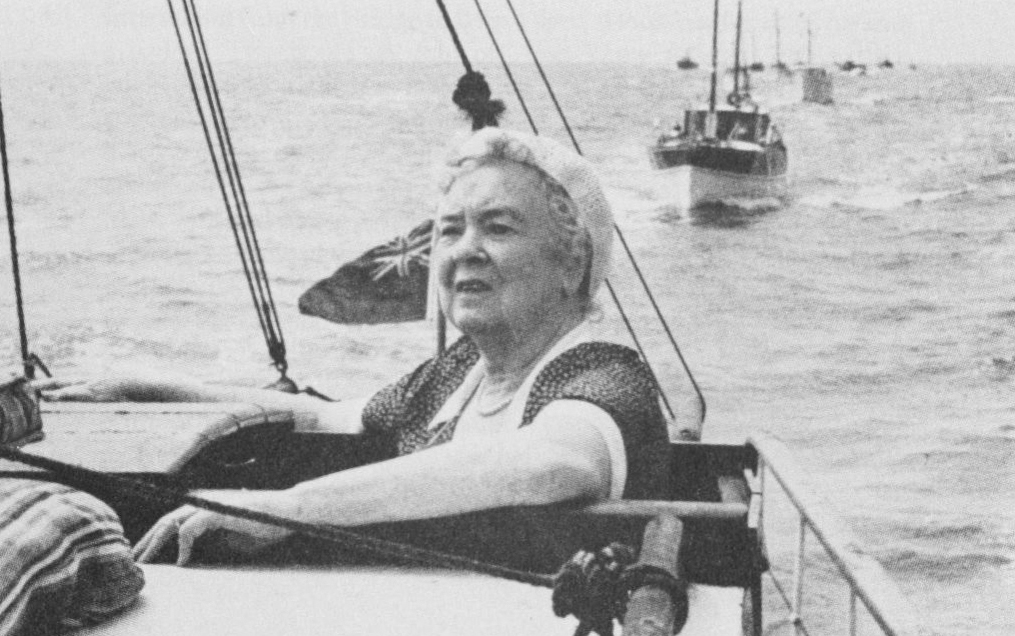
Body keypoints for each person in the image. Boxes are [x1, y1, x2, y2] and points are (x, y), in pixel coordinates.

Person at [41, 128, 671, 566]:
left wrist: (289, 508)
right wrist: (152, 385)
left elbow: (551, 464)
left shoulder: (603, 375)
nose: (464, 250)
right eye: (449, 231)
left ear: (572, 262)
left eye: (498, 227)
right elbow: (325, 416)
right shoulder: (460, 375)